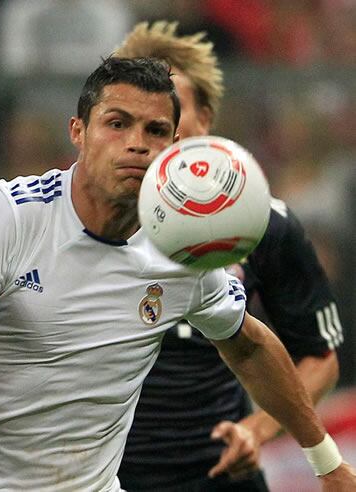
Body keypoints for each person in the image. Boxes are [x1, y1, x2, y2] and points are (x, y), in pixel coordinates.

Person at [0, 56, 356, 491]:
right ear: (78, 131)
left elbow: (249, 345)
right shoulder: (5, 218)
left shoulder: (182, 247)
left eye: (155, 130)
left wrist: (327, 461)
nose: (136, 143)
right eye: (117, 124)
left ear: (174, 147)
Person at [113, 21, 344, 491]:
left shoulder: (260, 222)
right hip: (103, 478)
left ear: (206, 119)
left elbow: (319, 355)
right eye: (137, 114)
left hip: (219, 475)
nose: (159, 127)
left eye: (173, 109)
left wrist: (257, 430)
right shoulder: (81, 220)